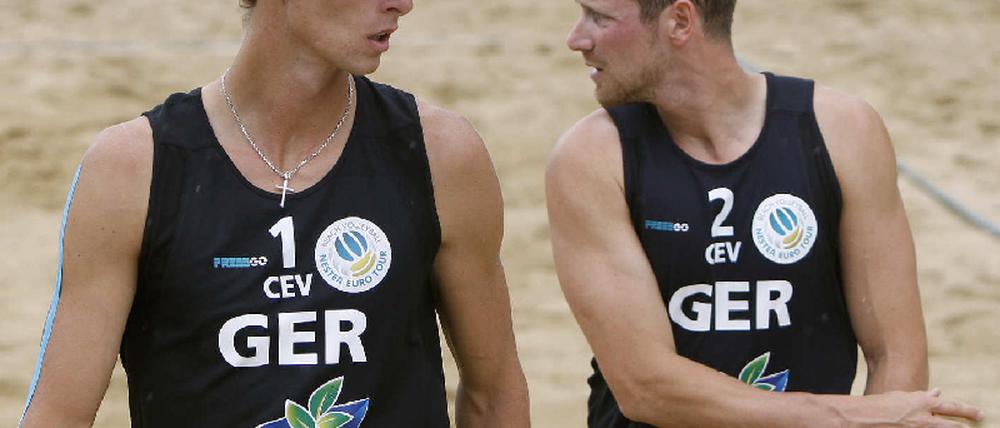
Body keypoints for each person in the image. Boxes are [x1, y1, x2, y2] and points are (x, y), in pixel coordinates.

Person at [19, 1, 529, 426]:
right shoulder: (132, 168)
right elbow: (60, 414)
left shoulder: (442, 154)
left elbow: (495, 392)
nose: (403, 2)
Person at [546, 0, 984, 426]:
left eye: (599, 17)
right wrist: (846, 416)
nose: (575, 38)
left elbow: (896, 356)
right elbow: (647, 387)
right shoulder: (591, 159)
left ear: (680, 21)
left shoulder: (843, 131)